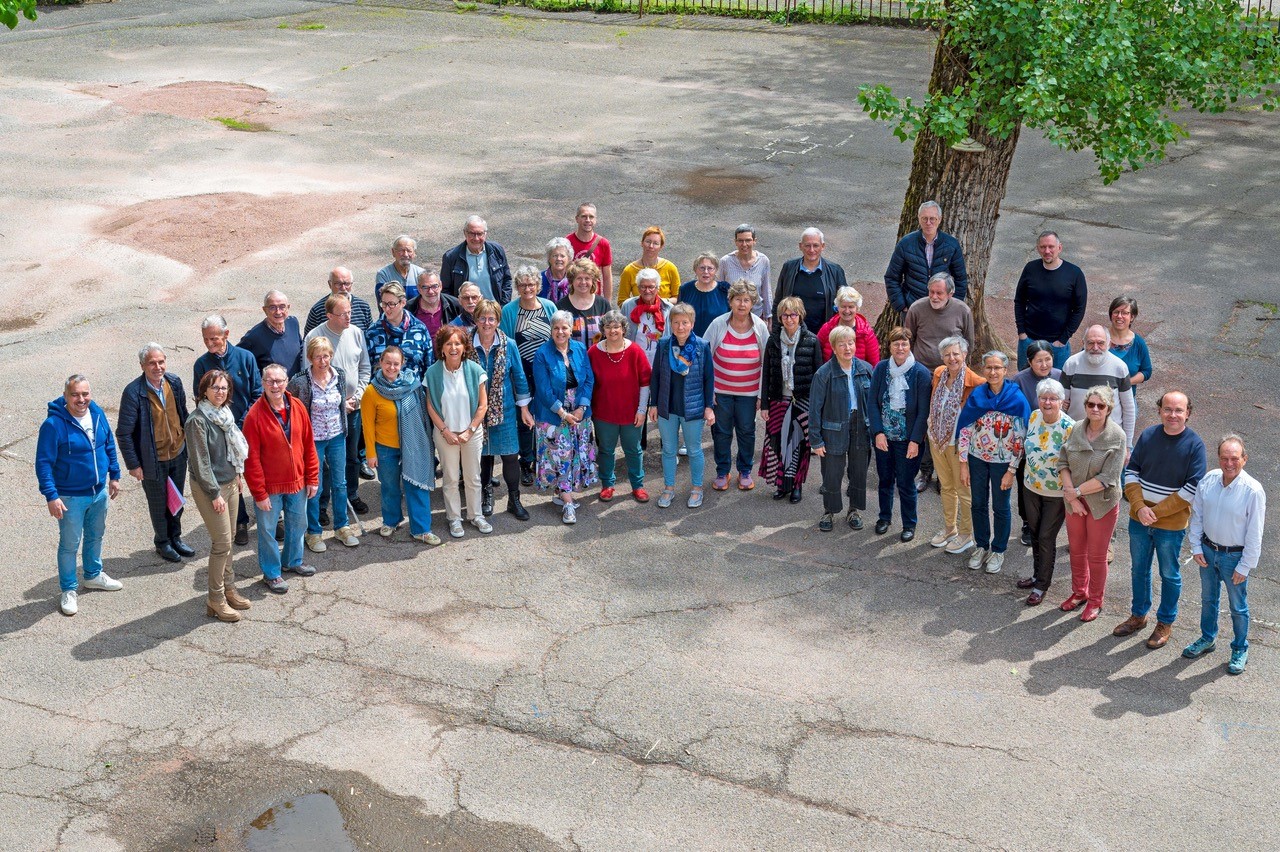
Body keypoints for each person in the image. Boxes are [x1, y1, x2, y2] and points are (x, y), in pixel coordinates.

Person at [1113, 391, 1207, 650]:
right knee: (1139, 570)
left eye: (1179, 410)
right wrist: (1140, 507)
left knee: (1169, 574)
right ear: (1159, 411)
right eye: (1168, 409)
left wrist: (1156, 512)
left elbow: (1192, 488)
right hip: (1139, 520)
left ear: (1188, 412)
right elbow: (1131, 472)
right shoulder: (1149, 435)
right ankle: (1139, 615)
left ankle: (1165, 622)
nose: (1173, 414)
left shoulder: (1195, 445)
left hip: (1170, 526)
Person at [36, 375, 123, 617]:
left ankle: (93, 575)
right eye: (75, 395)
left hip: (98, 492)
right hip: (70, 497)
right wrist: (51, 496)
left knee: (95, 536)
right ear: (65, 397)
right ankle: (68, 590)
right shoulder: (53, 425)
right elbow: (43, 463)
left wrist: (114, 475)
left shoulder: (96, 414)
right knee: (69, 545)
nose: (81, 399)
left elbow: (108, 444)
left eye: (85, 394)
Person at [1183, 435, 1265, 675]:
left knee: (1238, 606)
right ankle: (1207, 638)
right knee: (1208, 600)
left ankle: (1240, 648)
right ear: (1218, 458)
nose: (1229, 463)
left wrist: (1245, 565)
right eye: (1224, 458)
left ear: (1244, 459)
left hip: (1234, 558)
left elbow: (1255, 532)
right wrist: (1196, 547)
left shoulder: (1253, 491)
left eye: (1235, 458)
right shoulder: (1208, 480)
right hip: (1208, 551)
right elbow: (1197, 515)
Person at [242, 364, 320, 593]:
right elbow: (251, 460)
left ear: (287, 382)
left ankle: (293, 562)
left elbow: (309, 444)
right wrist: (259, 493)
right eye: (270, 381)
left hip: (297, 482)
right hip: (270, 488)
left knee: (298, 524)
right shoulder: (253, 416)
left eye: (279, 381)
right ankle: (272, 573)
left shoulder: (297, 407)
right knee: (267, 531)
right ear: (263, 384)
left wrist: (312, 477)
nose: (275, 386)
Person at [184, 370, 253, 622]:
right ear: (204, 390)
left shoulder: (224, 415)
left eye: (224, 388)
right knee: (221, 543)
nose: (220, 392)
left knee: (231, 538)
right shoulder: (197, 421)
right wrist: (214, 493)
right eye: (215, 388)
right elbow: (201, 464)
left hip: (230, 482)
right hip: (209, 489)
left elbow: (231, 450)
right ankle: (215, 599)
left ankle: (229, 588)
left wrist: (238, 474)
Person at [117, 343, 193, 564]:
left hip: (178, 453)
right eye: (152, 363)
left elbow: (183, 413)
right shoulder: (133, 392)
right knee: (159, 504)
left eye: (161, 362)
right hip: (153, 460)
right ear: (142, 366)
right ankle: (163, 542)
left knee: (176, 500)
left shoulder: (174, 382)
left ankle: (176, 538)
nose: (157, 367)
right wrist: (134, 465)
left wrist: (187, 444)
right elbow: (123, 433)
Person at [1057, 385, 1127, 622]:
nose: (1095, 409)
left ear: (1109, 409)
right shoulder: (1077, 428)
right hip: (1074, 502)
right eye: (1091, 405)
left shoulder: (1117, 436)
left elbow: (1108, 478)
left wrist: (1075, 493)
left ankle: (1096, 600)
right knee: (1076, 551)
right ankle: (1079, 592)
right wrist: (1072, 496)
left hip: (1101, 504)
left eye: (1101, 406)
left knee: (1096, 556)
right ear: (1085, 406)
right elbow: (1062, 461)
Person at [957, 350, 1030, 574]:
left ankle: (998, 550)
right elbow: (965, 429)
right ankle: (981, 546)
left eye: (997, 367)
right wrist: (963, 463)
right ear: (984, 370)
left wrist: (1011, 470)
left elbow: (1021, 438)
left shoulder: (1016, 399)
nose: (993, 371)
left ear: (1005, 370)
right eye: (989, 367)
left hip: (1003, 464)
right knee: (977, 504)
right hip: (977, 459)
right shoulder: (977, 396)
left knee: (1000, 506)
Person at [193, 314, 262, 545]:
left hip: (248, 426)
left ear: (227, 335)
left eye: (214, 339)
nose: (210, 344)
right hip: (220, 434)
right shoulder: (201, 364)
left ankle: (273, 516)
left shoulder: (246, 357)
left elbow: (257, 392)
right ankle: (240, 520)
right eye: (206, 340)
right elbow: (200, 399)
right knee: (231, 477)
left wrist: (242, 421)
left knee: (259, 469)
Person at [288, 337, 361, 553]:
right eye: (318, 357)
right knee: (314, 487)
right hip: (313, 441)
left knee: (340, 483)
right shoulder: (300, 381)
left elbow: (341, 403)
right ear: (310, 358)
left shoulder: (338, 375)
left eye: (326, 356)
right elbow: (291, 408)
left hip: (337, 436)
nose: (323, 361)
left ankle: (342, 527)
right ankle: (314, 532)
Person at [361, 346, 440, 545]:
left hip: (414, 445)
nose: (391, 367)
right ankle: (391, 520)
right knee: (389, 487)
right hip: (386, 448)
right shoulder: (371, 391)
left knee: (416, 485)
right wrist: (370, 453)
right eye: (387, 363)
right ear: (380, 362)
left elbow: (423, 415)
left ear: (402, 364)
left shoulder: (412, 384)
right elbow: (367, 426)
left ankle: (421, 529)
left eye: (396, 363)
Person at [304, 294, 372, 521]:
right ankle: (322, 506)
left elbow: (365, 368)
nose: (349, 317)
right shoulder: (315, 336)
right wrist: (339, 403)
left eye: (350, 312)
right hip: (326, 413)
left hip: (354, 407)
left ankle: (350, 495)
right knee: (322, 463)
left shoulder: (356, 333)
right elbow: (308, 377)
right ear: (329, 315)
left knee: (351, 457)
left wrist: (359, 397)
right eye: (343, 314)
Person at [904, 273, 972, 493]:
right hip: (924, 375)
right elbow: (908, 340)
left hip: (952, 376)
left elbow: (968, 344)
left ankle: (945, 474)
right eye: (931, 292)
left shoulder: (962, 310)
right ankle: (925, 471)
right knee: (926, 421)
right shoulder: (916, 308)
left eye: (939, 293)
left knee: (950, 423)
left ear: (950, 293)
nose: (934, 296)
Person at [426, 326, 492, 537]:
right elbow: (431, 406)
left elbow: (483, 405)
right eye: (448, 343)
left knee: (473, 477)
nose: (453, 348)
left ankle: (476, 516)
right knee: (451, 478)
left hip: (471, 433)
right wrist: (445, 431)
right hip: (446, 434)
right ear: (442, 348)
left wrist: (470, 430)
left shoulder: (475, 370)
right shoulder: (433, 372)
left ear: (464, 347)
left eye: (457, 343)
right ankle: (454, 518)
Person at [533, 311, 598, 523]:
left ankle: (562, 492)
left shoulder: (580, 349)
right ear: (551, 330)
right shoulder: (542, 353)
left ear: (571, 330)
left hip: (579, 410)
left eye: (564, 328)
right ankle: (568, 503)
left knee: (574, 454)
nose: (560, 332)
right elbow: (543, 390)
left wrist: (581, 408)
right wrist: (563, 413)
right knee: (560, 456)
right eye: (556, 328)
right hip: (553, 413)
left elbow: (589, 379)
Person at [472, 300, 535, 520]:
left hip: (505, 409)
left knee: (510, 456)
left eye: (491, 318)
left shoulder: (509, 344)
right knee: (483, 457)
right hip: (475, 411)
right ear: (476, 319)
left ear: (498, 321)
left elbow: (518, 376)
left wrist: (524, 409)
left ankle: (514, 499)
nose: (486, 323)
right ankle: (486, 494)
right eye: (482, 318)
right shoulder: (465, 343)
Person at [1013, 379, 1073, 605]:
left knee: (1046, 537)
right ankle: (1037, 575)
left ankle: (1042, 585)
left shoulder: (1069, 427)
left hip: (1055, 493)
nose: (1047, 402)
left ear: (1062, 401)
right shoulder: (1035, 416)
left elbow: (1073, 462)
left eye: (1053, 398)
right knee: (1035, 534)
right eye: (1044, 398)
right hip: (1030, 487)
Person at [868, 327, 931, 541]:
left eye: (904, 343)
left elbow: (923, 412)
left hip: (907, 441)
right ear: (890, 346)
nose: (900, 347)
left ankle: (909, 524)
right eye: (896, 344)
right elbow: (872, 404)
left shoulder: (920, 373)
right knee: (885, 480)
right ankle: (884, 518)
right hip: (884, 438)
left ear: (910, 345)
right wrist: (877, 432)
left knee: (905, 483)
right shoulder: (880, 369)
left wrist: (915, 440)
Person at [705, 280, 769, 492]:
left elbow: (766, 363)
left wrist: (761, 394)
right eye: (738, 299)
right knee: (721, 433)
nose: (742, 304)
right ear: (730, 301)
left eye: (747, 300)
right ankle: (722, 471)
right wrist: (709, 391)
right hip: (721, 393)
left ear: (753, 303)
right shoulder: (718, 324)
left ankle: (744, 470)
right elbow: (705, 358)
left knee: (746, 431)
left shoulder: (760, 327)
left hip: (748, 394)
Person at [649, 303, 715, 509]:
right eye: (676, 322)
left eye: (685, 322)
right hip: (667, 407)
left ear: (692, 323)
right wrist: (653, 404)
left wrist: (709, 406)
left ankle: (697, 488)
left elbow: (708, 379)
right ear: (670, 324)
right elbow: (656, 376)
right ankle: (669, 487)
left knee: (694, 450)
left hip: (692, 408)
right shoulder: (664, 345)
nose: (680, 327)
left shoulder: (701, 346)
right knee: (669, 450)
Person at [809, 325, 873, 532]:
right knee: (832, 472)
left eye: (851, 342)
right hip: (833, 428)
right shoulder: (823, 374)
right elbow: (814, 409)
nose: (847, 348)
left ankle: (853, 510)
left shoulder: (866, 369)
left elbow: (873, 404)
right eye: (842, 344)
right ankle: (829, 510)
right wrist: (816, 440)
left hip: (860, 427)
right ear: (834, 348)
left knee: (858, 471)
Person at [759, 297, 821, 503]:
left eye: (793, 314)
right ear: (780, 317)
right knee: (777, 443)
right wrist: (765, 404)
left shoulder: (812, 340)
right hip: (779, 399)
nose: (789, 319)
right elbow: (766, 372)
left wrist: (816, 407)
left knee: (798, 445)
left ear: (800, 315)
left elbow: (818, 376)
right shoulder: (773, 340)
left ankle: (796, 485)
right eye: (785, 315)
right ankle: (781, 485)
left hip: (802, 400)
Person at [926, 337, 984, 553]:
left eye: (956, 354)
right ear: (942, 357)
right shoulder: (939, 374)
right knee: (947, 487)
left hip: (960, 446)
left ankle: (967, 534)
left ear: (964, 355)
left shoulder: (976, 382)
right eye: (947, 354)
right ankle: (950, 528)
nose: (952, 358)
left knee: (963, 490)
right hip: (937, 441)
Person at [589, 311, 653, 503]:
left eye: (616, 327)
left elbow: (645, 382)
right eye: (608, 327)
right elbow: (588, 382)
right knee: (606, 450)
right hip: (603, 413)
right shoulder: (593, 352)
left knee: (633, 450)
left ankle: (637, 485)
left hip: (631, 413)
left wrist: (642, 410)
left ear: (624, 329)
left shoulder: (635, 351)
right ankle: (607, 484)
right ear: (603, 329)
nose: (612, 330)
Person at [501, 266, 557, 485]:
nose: (527, 288)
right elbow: (506, 345)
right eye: (523, 285)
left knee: (547, 416)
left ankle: (546, 458)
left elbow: (557, 339)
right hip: (521, 373)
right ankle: (526, 461)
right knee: (525, 420)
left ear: (538, 286)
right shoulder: (509, 311)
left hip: (546, 373)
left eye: (531, 284)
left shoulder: (549, 306)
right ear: (517, 287)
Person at [1012, 340, 1063, 546]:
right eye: (1038, 360)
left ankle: (1049, 525)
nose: (1044, 365)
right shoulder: (1019, 380)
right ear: (1029, 361)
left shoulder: (1060, 376)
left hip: (1055, 443)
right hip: (1028, 444)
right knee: (1026, 486)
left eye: (1048, 359)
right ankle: (1027, 523)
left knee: (1052, 486)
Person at [883, 201, 969, 321]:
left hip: (942, 310)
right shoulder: (906, 244)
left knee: (941, 340)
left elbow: (961, 279)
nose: (928, 223)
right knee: (912, 340)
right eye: (924, 219)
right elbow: (892, 277)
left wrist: (952, 306)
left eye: (932, 219)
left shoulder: (951, 245)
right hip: (912, 308)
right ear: (919, 219)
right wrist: (902, 306)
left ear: (939, 219)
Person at [1013, 231, 1087, 369]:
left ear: (1059, 247)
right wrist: (1022, 333)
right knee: (1025, 384)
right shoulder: (1030, 268)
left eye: (1051, 247)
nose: (1047, 251)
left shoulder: (1074, 273)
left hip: (1058, 345)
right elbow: (1019, 301)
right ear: (1038, 248)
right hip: (1028, 340)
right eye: (1043, 247)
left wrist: (1063, 339)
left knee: (1057, 387)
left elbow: (1079, 309)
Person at [1061, 325, 1136, 448]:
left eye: (1100, 343)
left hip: (1110, 441)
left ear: (1108, 343)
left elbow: (1129, 408)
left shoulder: (1120, 367)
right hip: (1076, 438)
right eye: (1090, 343)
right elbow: (1061, 406)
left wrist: (1127, 445)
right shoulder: (1071, 364)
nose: (1095, 348)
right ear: (1083, 343)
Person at [773, 228, 847, 335]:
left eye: (816, 245)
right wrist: (776, 331)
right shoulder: (789, 268)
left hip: (824, 335)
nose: (811, 250)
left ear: (823, 246)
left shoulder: (835, 271)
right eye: (807, 245)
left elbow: (844, 304)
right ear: (800, 246)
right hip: (792, 333)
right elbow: (778, 302)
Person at [366, 282, 433, 381]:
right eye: (384, 304)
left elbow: (429, 366)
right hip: (381, 393)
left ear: (403, 303)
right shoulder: (372, 333)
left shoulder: (419, 329)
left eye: (392, 304)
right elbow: (366, 369)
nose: (387, 308)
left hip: (413, 392)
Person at [441, 215, 512, 304]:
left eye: (479, 234)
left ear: (485, 234)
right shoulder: (451, 257)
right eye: (472, 233)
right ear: (465, 233)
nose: (476, 238)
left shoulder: (497, 250)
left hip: (494, 311)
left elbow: (507, 280)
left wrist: (503, 306)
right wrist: (456, 310)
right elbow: (445, 290)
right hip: (467, 311)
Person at [239, 290, 304, 377]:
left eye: (282, 307)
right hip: (274, 388)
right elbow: (237, 359)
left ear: (288, 307)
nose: (278, 312)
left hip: (296, 388)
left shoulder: (293, 323)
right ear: (265, 310)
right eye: (272, 307)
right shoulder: (254, 336)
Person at [1106, 295, 1153, 413]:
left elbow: (1146, 371)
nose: (1119, 316)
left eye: (1125, 313)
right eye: (1116, 312)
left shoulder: (1138, 343)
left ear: (1132, 317)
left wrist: (1126, 383)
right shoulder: (1099, 338)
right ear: (1111, 314)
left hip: (1126, 402)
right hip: (1099, 403)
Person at [616, 225, 682, 304]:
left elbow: (678, 298)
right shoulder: (629, 270)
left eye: (655, 243)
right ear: (642, 243)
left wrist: (660, 303)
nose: (651, 246)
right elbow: (622, 301)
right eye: (648, 242)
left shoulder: (670, 268)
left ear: (661, 247)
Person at [817, 286, 881, 366]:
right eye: (843, 306)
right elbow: (817, 355)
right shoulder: (827, 328)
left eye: (851, 307)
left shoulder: (866, 333)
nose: (847, 311)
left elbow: (874, 364)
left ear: (857, 308)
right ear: (837, 307)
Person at [718, 224, 772, 319]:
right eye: (740, 240)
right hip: (731, 317)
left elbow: (766, 291)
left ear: (754, 241)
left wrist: (768, 315)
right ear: (735, 242)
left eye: (748, 240)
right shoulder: (725, 262)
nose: (744, 244)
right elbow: (720, 292)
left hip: (756, 316)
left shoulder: (763, 261)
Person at [620, 268, 672, 366]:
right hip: (634, 361)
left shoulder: (668, 308)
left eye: (651, 287)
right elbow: (621, 334)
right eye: (643, 287)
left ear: (658, 288)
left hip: (660, 362)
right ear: (638, 288)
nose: (647, 291)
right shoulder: (628, 306)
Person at [556, 258, 611, 348]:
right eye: (579, 278)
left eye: (587, 278)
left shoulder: (603, 304)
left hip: (597, 359)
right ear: (571, 281)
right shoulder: (561, 306)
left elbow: (610, 334)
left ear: (593, 281)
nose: (583, 282)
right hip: (571, 359)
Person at [567, 202, 614, 301]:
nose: (588, 220)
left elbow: (607, 277)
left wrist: (607, 303)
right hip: (571, 297)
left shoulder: (603, 243)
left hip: (594, 299)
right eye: (584, 216)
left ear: (595, 220)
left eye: (591, 217)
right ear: (577, 219)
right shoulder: (567, 242)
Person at [306, 266, 373, 334]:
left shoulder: (363, 307)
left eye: (347, 284)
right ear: (330, 284)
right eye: (338, 284)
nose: (343, 288)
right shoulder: (318, 310)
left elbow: (371, 337)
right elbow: (309, 341)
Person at [678, 252, 730, 338]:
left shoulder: (724, 290)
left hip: (718, 342)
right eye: (702, 268)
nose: (706, 272)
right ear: (695, 269)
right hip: (690, 343)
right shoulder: (685, 289)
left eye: (710, 268)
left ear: (716, 270)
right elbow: (678, 317)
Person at [408, 268, 462, 340]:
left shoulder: (455, 305)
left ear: (440, 286)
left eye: (434, 286)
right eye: (425, 287)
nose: (430, 291)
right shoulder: (409, 309)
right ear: (418, 288)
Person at [375, 235, 425, 302]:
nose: (405, 254)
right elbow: (383, 303)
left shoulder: (421, 274)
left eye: (409, 250)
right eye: (401, 250)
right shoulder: (384, 274)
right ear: (393, 252)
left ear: (414, 253)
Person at [540, 237, 574, 303]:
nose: (559, 259)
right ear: (549, 259)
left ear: (569, 258)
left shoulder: (574, 279)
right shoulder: (539, 279)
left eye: (562, 256)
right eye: (555, 255)